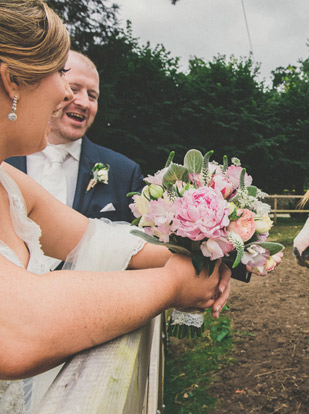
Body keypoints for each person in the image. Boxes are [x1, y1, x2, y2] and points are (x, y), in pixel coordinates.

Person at [0, 2, 231, 412]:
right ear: (11, 81)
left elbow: (93, 236)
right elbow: (18, 327)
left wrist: (203, 253)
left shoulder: (7, 182)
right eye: (58, 72)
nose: (66, 91)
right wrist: (172, 286)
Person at [6, 50, 142, 223]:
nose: (84, 103)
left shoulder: (125, 172)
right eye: (73, 89)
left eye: (92, 96)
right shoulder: (6, 155)